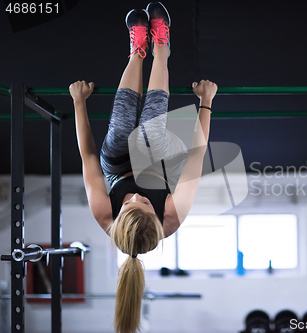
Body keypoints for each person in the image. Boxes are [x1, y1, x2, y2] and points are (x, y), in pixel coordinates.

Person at [69, 2, 217, 332]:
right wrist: (206, 102)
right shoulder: (172, 217)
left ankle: (138, 50)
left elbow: (89, 158)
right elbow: (196, 157)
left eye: (128, 203)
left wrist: (79, 103)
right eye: (145, 202)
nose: (134, 196)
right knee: (150, 131)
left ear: (116, 217)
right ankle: (161, 49)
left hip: (116, 168)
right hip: (159, 168)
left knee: (123, 131)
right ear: (158, 216)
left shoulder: (105, 215)